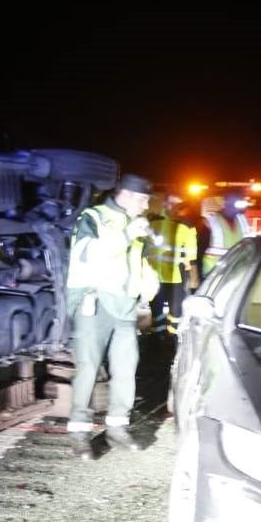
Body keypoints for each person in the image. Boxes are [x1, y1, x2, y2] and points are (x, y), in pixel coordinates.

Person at [65, 173, 161, 459]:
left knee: (126, 368)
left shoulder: (135, 224)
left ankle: (117, 429)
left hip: (125, 305)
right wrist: (127, 235)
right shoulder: (93, 216)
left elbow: (134, 260)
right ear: (128, 195)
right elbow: (85, 254)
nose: (146, 206)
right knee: (88, 368)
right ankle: (79, 433)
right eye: (143, 199)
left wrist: (148, 279)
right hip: (95, 302)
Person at [147, 191, 200, 340]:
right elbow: (191, 257)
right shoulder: (187, 225)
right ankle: (171, 339)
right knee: (173, 310)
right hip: (171, 275)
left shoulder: (152, 221)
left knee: (161, 308)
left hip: (158, 274)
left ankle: (160, 337)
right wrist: (194, 280)